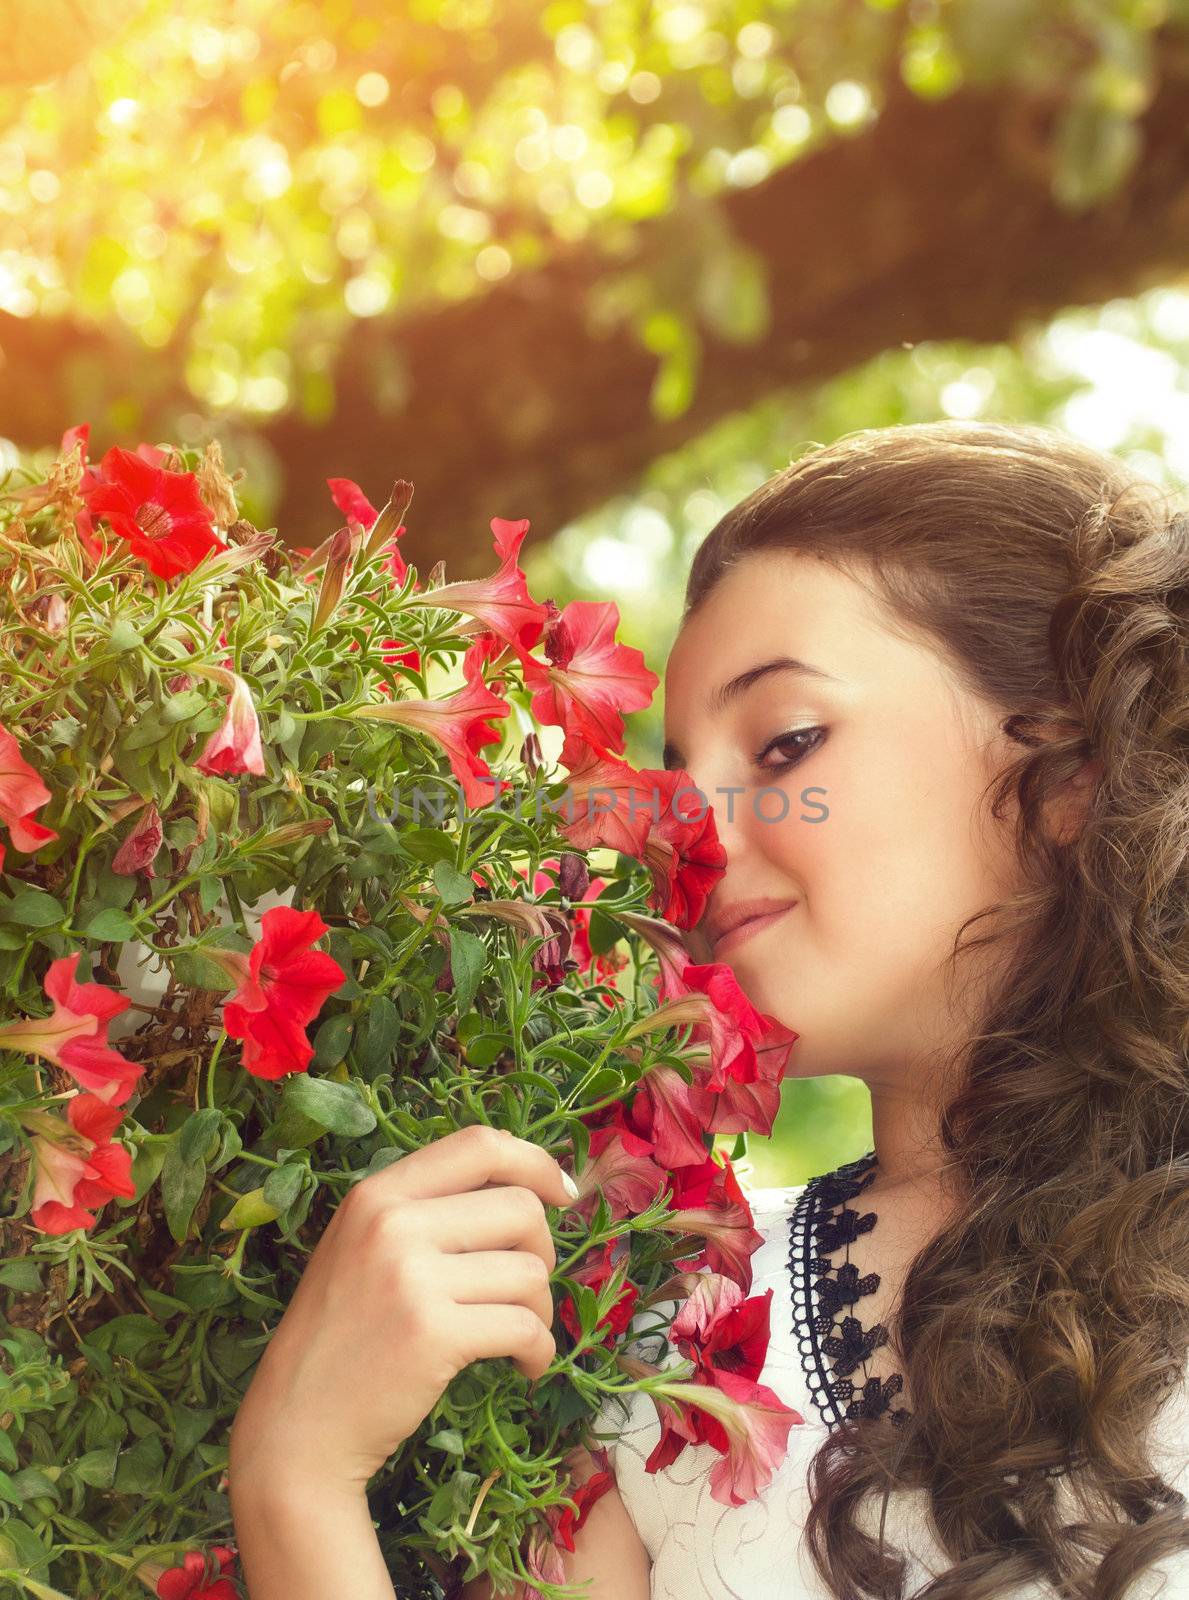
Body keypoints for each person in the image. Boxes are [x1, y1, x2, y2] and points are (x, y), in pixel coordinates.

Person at [227, 420, 1189, 1600]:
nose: (689, 834)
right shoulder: (659, 1327)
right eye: (678, 781)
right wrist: (296, 1476)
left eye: (786, 742)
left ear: (1071, 769)